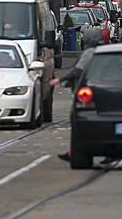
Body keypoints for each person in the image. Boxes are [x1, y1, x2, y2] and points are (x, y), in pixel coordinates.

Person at [51, 28, 103, 163]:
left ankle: (76, 151)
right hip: (101, 92)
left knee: (80, 124)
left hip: (87, 94)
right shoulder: (104, 52)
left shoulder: (89, 53)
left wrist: (60, 80)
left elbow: (78, 71)